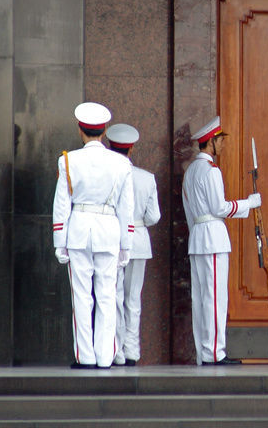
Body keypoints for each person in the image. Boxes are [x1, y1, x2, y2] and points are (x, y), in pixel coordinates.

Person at [52, 102, 134, 369]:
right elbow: (126, 208)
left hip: (79, 230)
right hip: (109, 230)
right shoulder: (121, 163)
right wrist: (126, 244)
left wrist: (59, 241)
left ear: (80, 131)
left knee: (82, 296)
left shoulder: (68, 160)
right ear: (105, 130)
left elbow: (62, 204)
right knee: (108, 295)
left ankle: (85, 356)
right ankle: (105, 356)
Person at [182, 116, 262, 365]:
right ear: (211, 143)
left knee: (201, 297)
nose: (223, 145)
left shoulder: (190, 172)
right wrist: (249, 203)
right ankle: (215, 353)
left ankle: (203, 352)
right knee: (215, 297)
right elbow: (220, 207)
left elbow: (188, 211)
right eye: (220, 141)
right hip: (213, 238)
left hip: (197, 237)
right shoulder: (210, 171)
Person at [105, 123, 161, 367]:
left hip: (113, 239)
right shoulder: (146, 178)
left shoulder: (108, 175)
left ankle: (116, 351)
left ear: (110, 147)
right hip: (138, 240)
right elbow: (154, 217)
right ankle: (132, 352)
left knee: (114, 296)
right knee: (133, 299)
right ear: (131, 149)